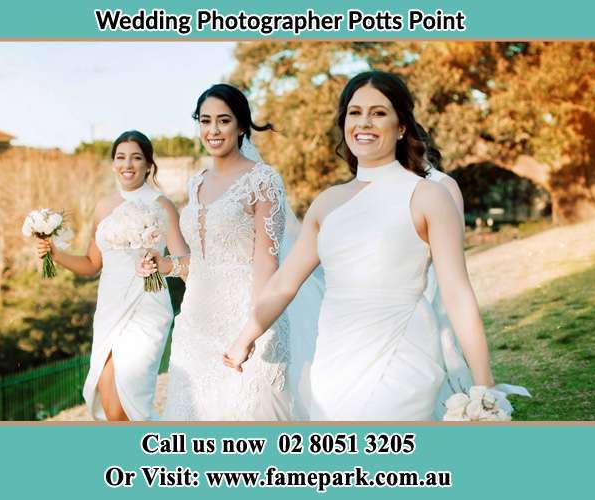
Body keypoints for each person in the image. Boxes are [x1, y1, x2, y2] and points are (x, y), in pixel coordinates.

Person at [224, 70, 497, 420]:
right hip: (335, 360)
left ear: (401, 127)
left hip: (403, 354)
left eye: (378, 113)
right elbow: (284, 282)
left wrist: (484, 384)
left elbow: (458, 292)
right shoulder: (327, 203)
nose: (364, 122)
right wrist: (246, 336)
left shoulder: (428, 196)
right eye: (355, 112)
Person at [145, 84, 292, 420]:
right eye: (205, 120)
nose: (213, 130)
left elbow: (267, 263)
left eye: (223, 121)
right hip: (195, 326)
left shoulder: (264, 181)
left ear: (241, 126)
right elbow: (201, 263)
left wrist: (253, 330)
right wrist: (163, 264)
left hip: (246, 319)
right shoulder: (194, 182)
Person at [35, 130, 187, 421]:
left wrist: (161, 263)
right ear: (113, 164)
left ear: (148, 165)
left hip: (147, 306)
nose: (127, 164)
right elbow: (93, 263)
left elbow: (184, 261)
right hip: (109, 308)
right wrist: (55, 253)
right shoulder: (103, 206)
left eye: (136, 157)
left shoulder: (162, 205)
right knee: (108, 404)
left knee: (128, 402)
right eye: (120, 157)